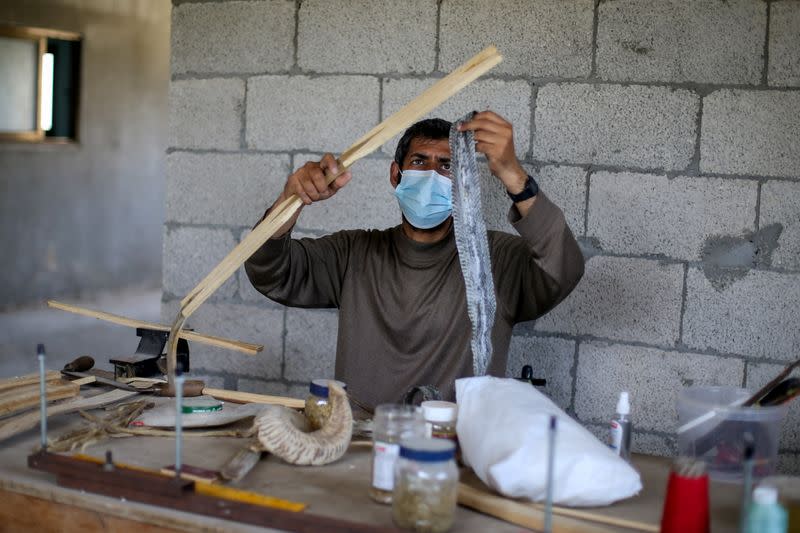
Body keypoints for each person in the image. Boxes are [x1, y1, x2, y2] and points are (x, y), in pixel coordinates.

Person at [245, 111, 584, 408]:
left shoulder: (493, 259)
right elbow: (270, 272)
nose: (432, 175)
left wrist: (514, 176)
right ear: (396, 175)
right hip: (363, 446)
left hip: (456, 452)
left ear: (462, 184)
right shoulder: (353, 254)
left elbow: (563, 270)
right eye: (420, 162)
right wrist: (291, 200)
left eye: (447, 166)